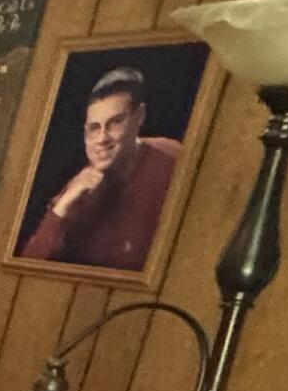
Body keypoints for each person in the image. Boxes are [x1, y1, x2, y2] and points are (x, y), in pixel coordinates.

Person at [21, 63, 182, 270]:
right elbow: (28, 266)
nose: (102, 138)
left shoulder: (173, 161)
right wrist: (61, 209)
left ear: (139, 117)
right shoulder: (77, 190)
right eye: (93, 128)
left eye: (115, 122)